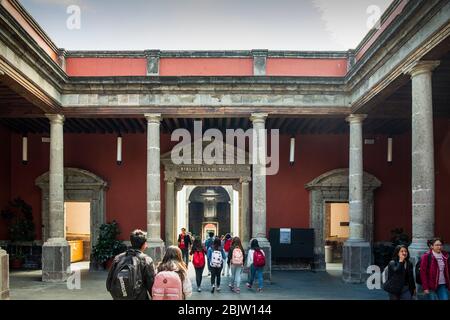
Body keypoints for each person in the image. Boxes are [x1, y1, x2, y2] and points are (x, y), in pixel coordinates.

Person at [106, 229, 155, 300]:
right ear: (144, 244)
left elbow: (108, 284)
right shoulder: (146, 260)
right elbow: (151, 284)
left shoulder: (118, 258)